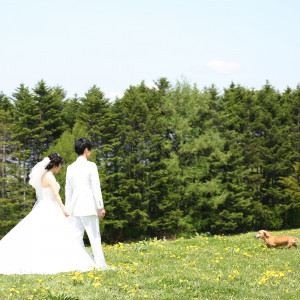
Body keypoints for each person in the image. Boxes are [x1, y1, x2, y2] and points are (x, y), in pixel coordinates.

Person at [0, 153, 97, 275]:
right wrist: (63, 209)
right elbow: (56, 194)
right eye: (60, 165)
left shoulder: (43, 175)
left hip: (43, 205)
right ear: (56, 165)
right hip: (51, 206)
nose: (61, 167)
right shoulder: (50, 177)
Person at [65, 138, 107, 269]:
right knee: (95, 238)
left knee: (76, 240)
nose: (91, 152)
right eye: (90, 150)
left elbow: (68, 190)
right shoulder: (91, 166)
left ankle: (76, 265)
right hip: (89, 207)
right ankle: (101, 265)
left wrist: (68, 209)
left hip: (75, 209)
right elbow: (96, 188)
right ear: (85, 150)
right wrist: (100, 206)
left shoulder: (70, 168)